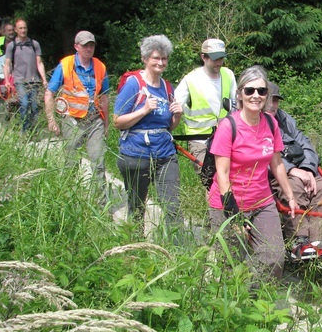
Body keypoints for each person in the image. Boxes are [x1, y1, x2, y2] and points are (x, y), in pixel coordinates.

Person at [208, 65, 298, 282]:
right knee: (230, 263)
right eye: (249, 90)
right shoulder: (228, 126)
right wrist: (234, 215)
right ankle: (230, 308)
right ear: (240, 94)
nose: (256, 95)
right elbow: (222, 174)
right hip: (228, 204)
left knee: (274, 257)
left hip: (263, 201)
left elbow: (276, 163)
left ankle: (256, 301)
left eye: (261, 91)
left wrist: (290, 195)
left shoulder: (270, 123)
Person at [113, 35, 184, 234]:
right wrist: (143, 111)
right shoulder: (134, 85)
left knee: (173, 205)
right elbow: (117, 121)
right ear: (145, 59)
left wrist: (177, 116)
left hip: (165, 154)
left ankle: (177, 252)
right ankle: (135, 250)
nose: (161, 62)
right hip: (136, 155)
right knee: (137, 206)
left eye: (164, 58)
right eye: (156, 58)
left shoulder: (167, 87)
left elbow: (169, 127)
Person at [266, 82, 322, 260]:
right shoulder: (256, 122)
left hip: (300, 169)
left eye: (275, 100)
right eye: (269, 100)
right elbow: (263, 154)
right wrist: (291, 170)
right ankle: (299, 240)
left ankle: (320, 241)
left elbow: (305, 144)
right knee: (294, 186)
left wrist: (307, 169)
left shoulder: (285, 121)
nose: (272, 105)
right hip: (275, 173)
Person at [44, 31, 110, 203]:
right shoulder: (65, 65)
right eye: (85, 45)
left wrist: (106, 124)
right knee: (71, 163)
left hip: (95, 120)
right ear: (76, 47)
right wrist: (51, 120)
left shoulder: (100, 67)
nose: (89, 48)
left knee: (98, 162)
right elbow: (49, 93)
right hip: (72, 120)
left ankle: (102, 205)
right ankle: (68, 201)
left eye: (92, 45)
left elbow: (105, 96)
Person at [174, 38, 237, 171]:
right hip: (199, 141)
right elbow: (174, 106)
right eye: (215, 59)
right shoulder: (190, 79)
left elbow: (237, 106)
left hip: (225, 139)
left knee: (227, 178)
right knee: (210, 179)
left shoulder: (228, 75)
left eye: (221, 58)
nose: (219, 62)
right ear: (203, 57)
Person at [3, 18, 48, 132]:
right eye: (21, 28)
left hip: (34, 80)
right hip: (20, 80)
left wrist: (44, 79)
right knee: (24, 103)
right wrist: (7, 80)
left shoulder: (34, 44)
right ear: (16, 30)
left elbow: (39, 62)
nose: (23, 30)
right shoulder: (12, 46)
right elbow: (7, 64)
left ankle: (34, 131)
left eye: (25, 28)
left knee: (34, 106)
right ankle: (24, 130)